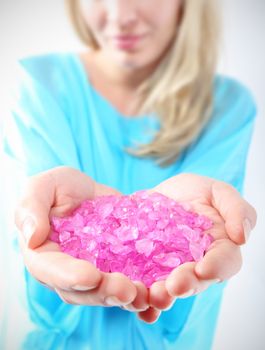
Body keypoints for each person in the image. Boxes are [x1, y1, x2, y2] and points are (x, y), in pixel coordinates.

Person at [1, 0, 257, 349]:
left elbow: (205, 254)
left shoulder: (227, 105)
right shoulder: (38, 87)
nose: (120, 16)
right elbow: (36, 242)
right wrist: (41, 234)